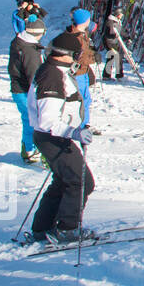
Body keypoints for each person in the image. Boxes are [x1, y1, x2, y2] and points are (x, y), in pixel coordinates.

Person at [28, 32, 95, 243]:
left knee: (63, 181)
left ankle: (42, 228)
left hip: (54, 137)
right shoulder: (52, 76)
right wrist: (73, 132)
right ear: (69, 54)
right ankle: (68, 229)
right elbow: (47, 120)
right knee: (81, 181)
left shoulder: (56, 71)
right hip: (52, 137)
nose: (78, 57)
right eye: (77, 54)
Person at [9, 14, 46, 164]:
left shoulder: (19, 41)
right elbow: (33, 75)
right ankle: (33, 150)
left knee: (28, 119)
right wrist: (41, 92)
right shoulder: (29, 51)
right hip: (25, 90)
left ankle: (28, 149)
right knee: (35, 121)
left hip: (19, 88)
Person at [68, 9, 97, 130]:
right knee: (83, 98)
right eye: (88, 19)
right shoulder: (75, 36)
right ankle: (83, 124)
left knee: (86, 98)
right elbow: (80, 56)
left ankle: (85, 122)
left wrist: (93, 52)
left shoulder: (83, 33)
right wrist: (93, 57)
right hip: (77, 71)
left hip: (83, 70)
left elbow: (85, 51)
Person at [102, 6, 127, 79]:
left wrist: (127, 37)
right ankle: (117, 76)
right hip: (109, 42)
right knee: (116, 57)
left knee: (113, 57)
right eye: (121, 14)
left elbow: (121, 31)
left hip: (115, 43)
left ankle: (108, 75)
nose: (122, 16)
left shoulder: (118, 22)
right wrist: (112, 36)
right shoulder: (110, 22)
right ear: (117, 14)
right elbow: (106, 34)